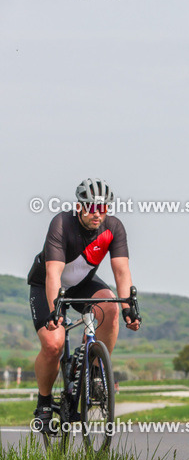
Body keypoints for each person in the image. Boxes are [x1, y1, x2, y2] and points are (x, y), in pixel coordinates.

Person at [28, 178, 141, 430]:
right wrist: (55, 311)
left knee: (110, 307)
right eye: (91, 207)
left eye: (102, 208)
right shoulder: (61, 224)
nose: (97, 214)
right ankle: (44, 401)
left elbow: (121, 272)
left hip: (82, 283)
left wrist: (128, 310)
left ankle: (96, 370)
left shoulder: (114, 228)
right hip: (47, 283)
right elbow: (54, 274)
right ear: (79, 206)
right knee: (53, 345)